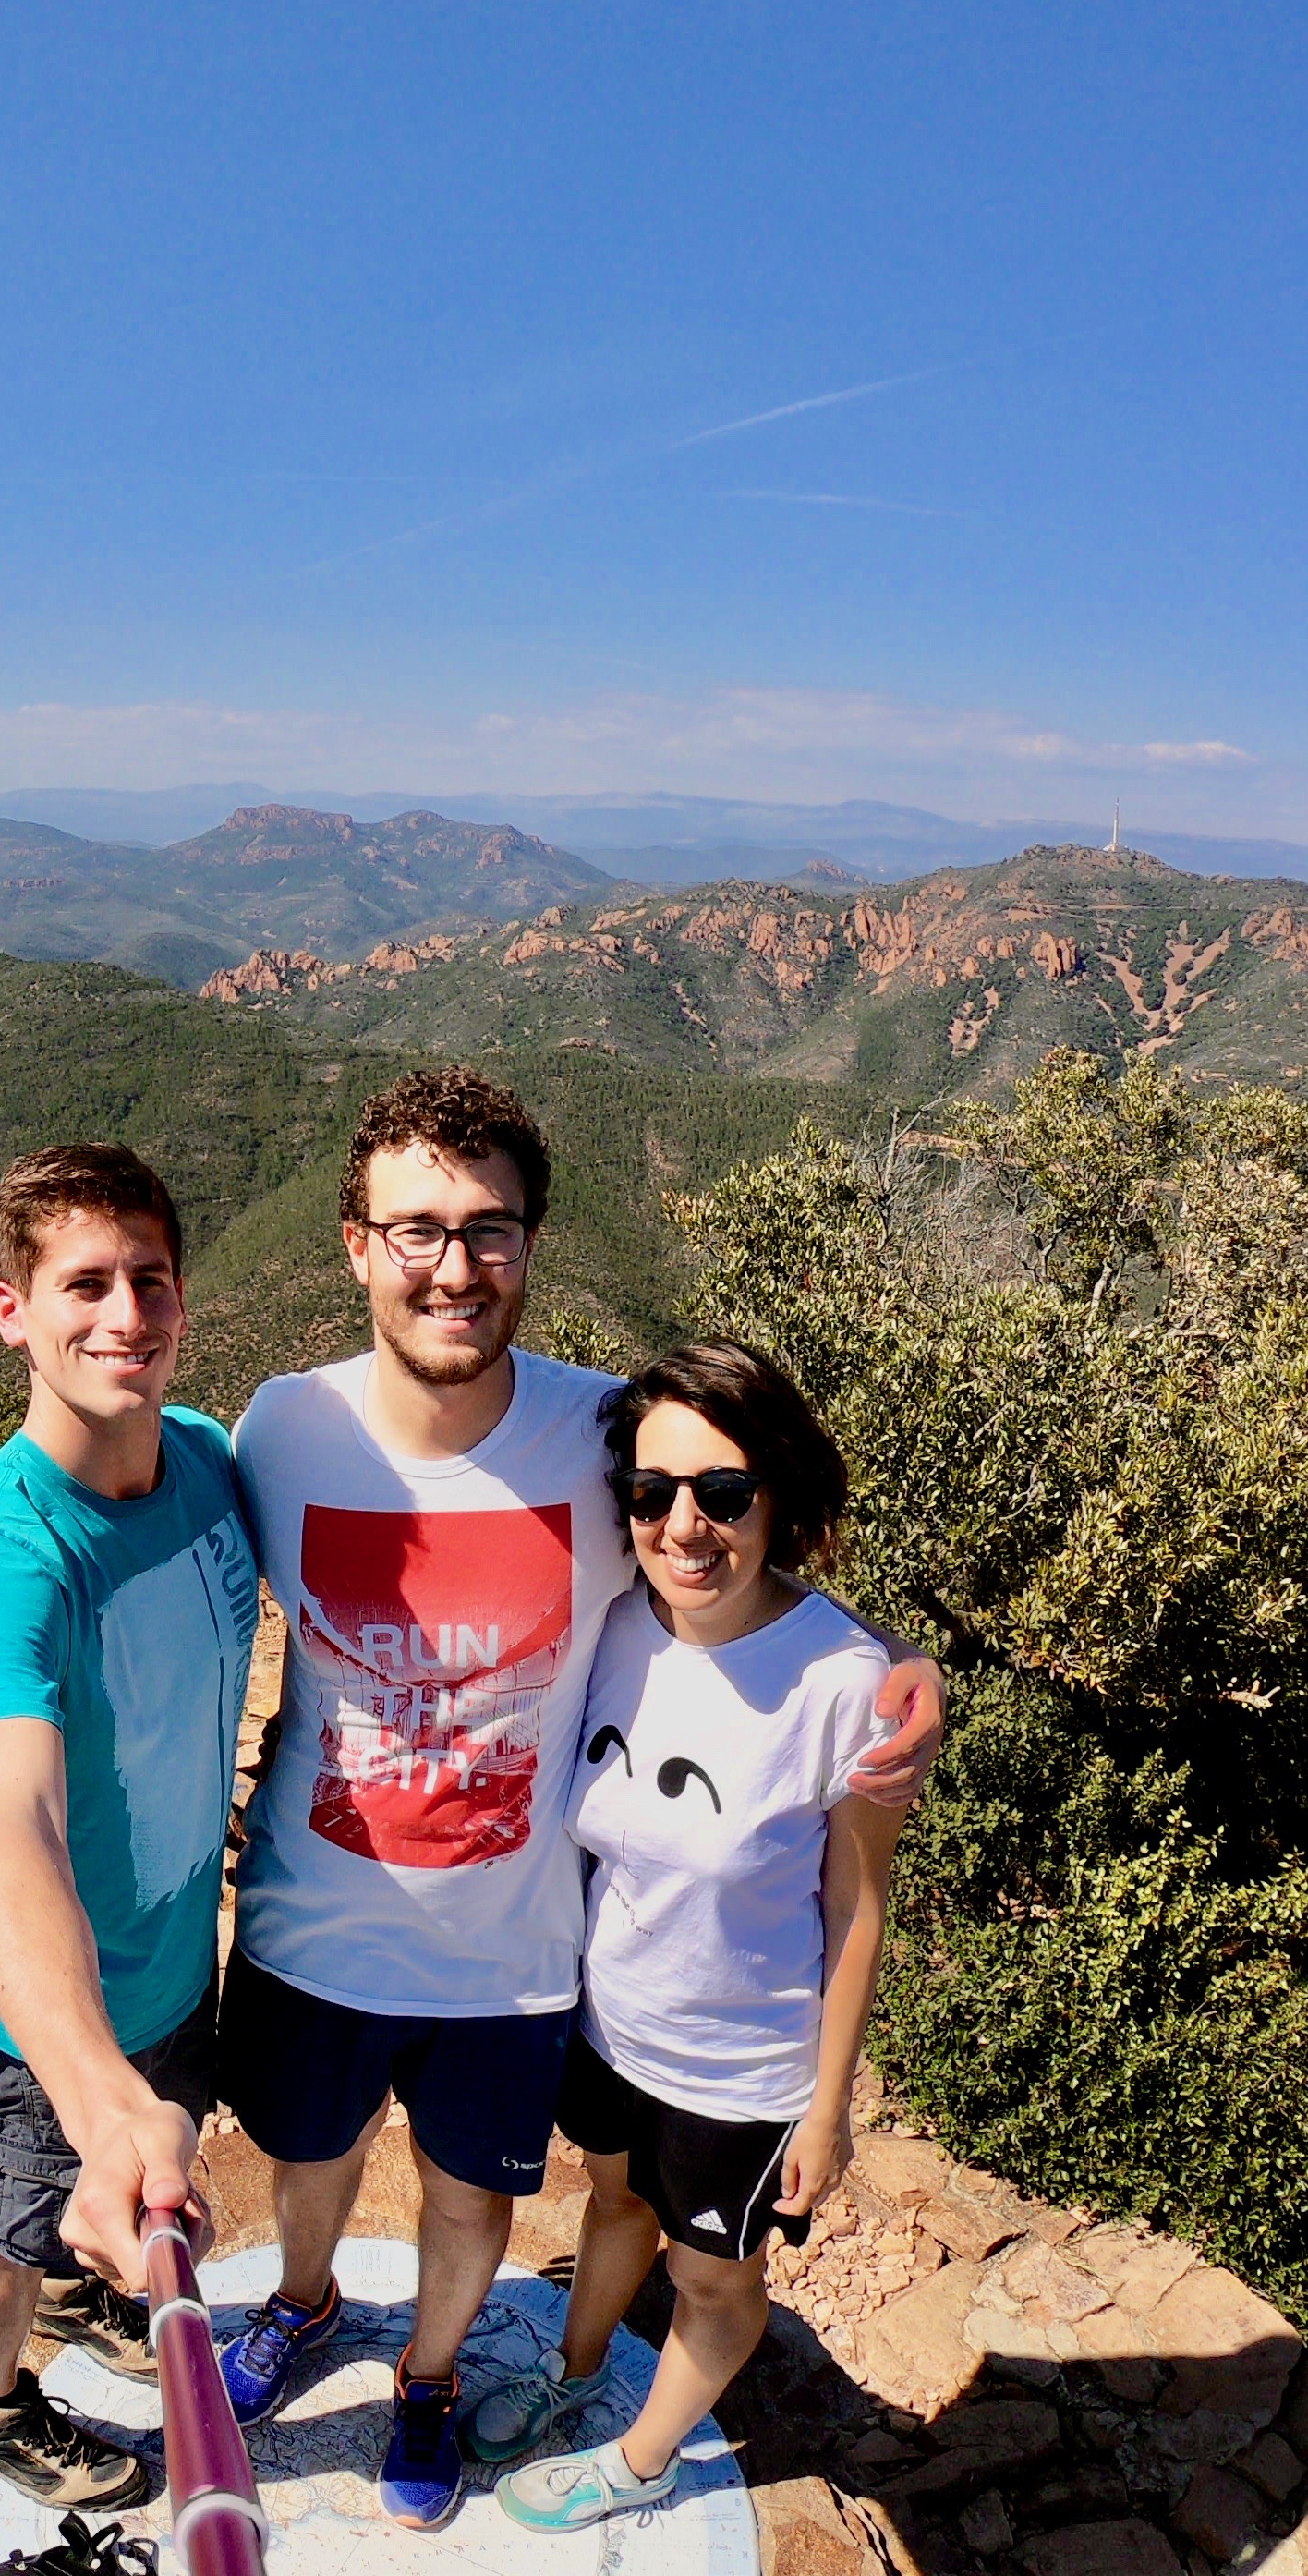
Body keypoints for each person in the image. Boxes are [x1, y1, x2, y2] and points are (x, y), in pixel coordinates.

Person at [212, 1066, 944, 2530]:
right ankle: (301, 2302)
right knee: (309, 2162)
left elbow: (729, 1550)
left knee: (470, 2198)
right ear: (355, 1246)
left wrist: (899, 1668)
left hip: (512, 1951)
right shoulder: (278, 1431)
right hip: (310, 1917)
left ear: (531, 1243)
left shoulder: (603, 1436)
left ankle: (428, 2380)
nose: (454, 1266)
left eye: (487, 1229)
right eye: (416, 1230)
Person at [462, 1345, 909, 2531]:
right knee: (614, 2207)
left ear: (778, 1494)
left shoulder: (845, 1686)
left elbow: (855, 1907)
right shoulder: (617, 1625)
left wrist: (826, 2107)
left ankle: (642, 2458)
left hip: (740, 2072)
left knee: (713, 2278)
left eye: (722, 1492)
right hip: (609, 2030)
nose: (682, 1526)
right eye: (652, 1493)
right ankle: (573, 2371)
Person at [0, 1145, 261, 2514]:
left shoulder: (208, 1462)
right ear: (12, 1312)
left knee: (94, 2212)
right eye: (85, 1285)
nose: (126, 1315)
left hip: (174, 1964)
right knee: (6, 2232)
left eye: (149, 1280)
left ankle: (78, 2297)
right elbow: (17, 1831)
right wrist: (95, 2090)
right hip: (49, 2022)